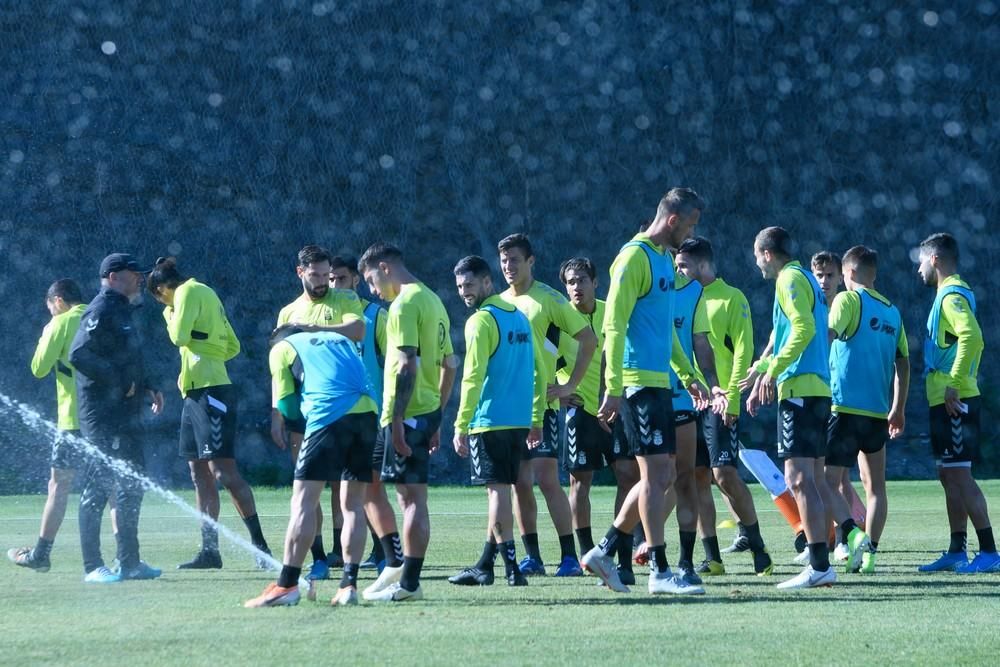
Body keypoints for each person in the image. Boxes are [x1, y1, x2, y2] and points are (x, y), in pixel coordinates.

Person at [581, 187, 713, 595]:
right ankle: (657, 570)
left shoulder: (662, 262)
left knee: (664, 474)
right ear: (673, 220)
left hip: (661, 385)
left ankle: (604, 550)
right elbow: (614, 325)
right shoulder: (634, 257)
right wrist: (614, 386)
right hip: (637, 384)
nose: (690, 233)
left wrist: (687, 374)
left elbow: (666, 329)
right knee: (657, 477)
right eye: (689, 224)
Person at [147, 257, 272, 570]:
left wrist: (170, 313)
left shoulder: (186, 293)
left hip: (212, 392)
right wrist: (204, 348)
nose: (162, 303)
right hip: (195, 392)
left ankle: (261, 547)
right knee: (198, 471)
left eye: (159, 297)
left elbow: (178, 337)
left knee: (223, 472)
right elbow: (232, 347)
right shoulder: (207, 293)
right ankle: (210, 551)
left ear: (163, 288)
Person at [245, 324, 378, 607]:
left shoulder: (281, 348)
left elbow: (287, 406)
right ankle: (348, 585)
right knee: (353, 504)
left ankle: (287, 585)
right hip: (367, 414)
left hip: (328, 416)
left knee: (303, 502)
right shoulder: (338, 339)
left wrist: (304, 416)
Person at [359, 244, 458, 602]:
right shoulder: (434, 300)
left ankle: (410, 583)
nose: (372, 291)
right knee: (393, 492)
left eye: (371, 281)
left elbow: (406, 364)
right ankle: (398, 569)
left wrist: (398, 418)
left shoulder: (403, 304)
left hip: (405, 414)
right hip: (426, 411)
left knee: (410, 499)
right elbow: (450, 365)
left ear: (384, 268)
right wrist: (439, 416)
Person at [498, 233, 597, 577]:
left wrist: (569, 384)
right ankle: (533, 557)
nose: (509, 267)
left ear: (530, 262)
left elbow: (588, 340)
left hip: (542, 406)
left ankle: (570, 557)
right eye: (504, 260)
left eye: (515, 260)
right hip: (508, 409)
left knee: (546, 478)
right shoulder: (498, 303)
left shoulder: (550, 299)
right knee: (519, 482)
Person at [744, 228, 836, 589]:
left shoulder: (789, 279)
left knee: (798, 479)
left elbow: (804, 328)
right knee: (810, 479)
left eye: (756, 254)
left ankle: (818, 565)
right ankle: (821, 562)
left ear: (767, 253)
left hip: (801, 389)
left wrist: (771, 368)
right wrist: (765, 369)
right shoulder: (803, 279)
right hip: (814, 388)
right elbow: (786, 332)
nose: (755, 262)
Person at [675, 237, 773, 577]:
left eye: (684, 266)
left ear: (702, 264)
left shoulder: (732, 298)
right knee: (697, 477)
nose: (679, 271)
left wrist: (731, 397)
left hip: (720, 401)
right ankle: (712, 556)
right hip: (689, 401)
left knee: (724, 475)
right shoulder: (680, 298)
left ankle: (759, 547)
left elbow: (744, 350)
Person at [69, 253, 164, 583]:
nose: (140, 278)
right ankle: (92, 566)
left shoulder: (126, 309)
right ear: (112, 276)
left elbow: (129, 355)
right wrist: (118, 381)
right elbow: (78, 354)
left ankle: (130, 562)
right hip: (101, 414)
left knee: (133, 481)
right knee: (99, 484)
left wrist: (149, 385)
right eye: (133, 273)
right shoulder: (100, 308)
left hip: (126, 412)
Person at [273, 245, 365, 581]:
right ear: (300, 273)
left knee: (346, 493)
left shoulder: (344, 300)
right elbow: (280, 366)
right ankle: (318, 558)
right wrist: (278, 412)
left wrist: (312, 331)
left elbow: (358, 331)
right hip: (306, 409)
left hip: (345, 408)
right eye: (315, 275)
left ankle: (343, 563)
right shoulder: (288, 313)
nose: (324, 281)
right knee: (307, 492)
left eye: (327, 274)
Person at [448, 255, 542, 587]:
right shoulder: (519, 317)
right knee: (501, 491)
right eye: (459, 286)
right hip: (516, 421)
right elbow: (538, 370)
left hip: (489, 421)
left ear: (488, 282)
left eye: (470, 284)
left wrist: (461, 424)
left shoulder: (481, 321)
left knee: (497, 493)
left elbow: (471, 378)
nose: (464, 292)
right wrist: (536, 415)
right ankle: (485, 565)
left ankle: (512, 569)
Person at [8, 280, 112, 572]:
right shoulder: (96, 316)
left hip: (71, 419)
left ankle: (41, 553)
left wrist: (48, 331)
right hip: (102, 418)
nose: (51, 312)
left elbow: (38, 368)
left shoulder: (60, 323)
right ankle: (127, 556)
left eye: (51, 307)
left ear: (58, 300)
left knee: (59, 485)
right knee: (112, 485)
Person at [915, 233, 999, 574]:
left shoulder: (951, 295)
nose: (918, 268)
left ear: (934, 260)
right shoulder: (948, 294)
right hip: (944, 398)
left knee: (960, 476)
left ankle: (991, 551)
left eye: (920, 261)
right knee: (948, 474)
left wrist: (952, 384)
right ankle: (956, 550)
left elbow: (973, 336)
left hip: (955, 398)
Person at [824, 246, 909, 575]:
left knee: (825, 483)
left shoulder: (848, 301)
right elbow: (903, 363)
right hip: (877, 413)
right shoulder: (893, 312)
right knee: (876, 489)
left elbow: (828, 335)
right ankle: (870, 553)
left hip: (843, 408)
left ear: (850, 274)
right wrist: (897, 408)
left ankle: (852, 533)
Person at [557, 257, 640, 585]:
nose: (576, 287)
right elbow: (543, 356)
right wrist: (561, 390)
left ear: (595, 282)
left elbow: (625, 351)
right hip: (581, 412)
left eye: (581, 280)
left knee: (628, 476)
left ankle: (622, 558)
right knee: (580, 482)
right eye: (570, 282)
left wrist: (618, 394)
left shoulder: (611, 312)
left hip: (615, 408)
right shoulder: (559, 319)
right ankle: (586, 553)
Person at [331, 254, 389, 570]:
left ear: (356, 280)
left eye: (341, 278)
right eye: (331, 279)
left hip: (371, 415)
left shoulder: (374, 315)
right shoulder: (327, 317)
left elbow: (394, 362)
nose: (336, 285)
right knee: (347, 491)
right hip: (336, 415)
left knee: (369, 488)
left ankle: (384, 553)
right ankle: (361, 553)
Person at [813, 250, 868, 559]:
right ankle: (832, 539)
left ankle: (839, 540)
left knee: (834, 476)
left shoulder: (846, 305)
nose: (824, 281)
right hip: (822, 395)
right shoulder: (811, 304)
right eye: (819, 275)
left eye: (830, 275)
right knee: (833, 475)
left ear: (840, 277)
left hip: (841, 400)